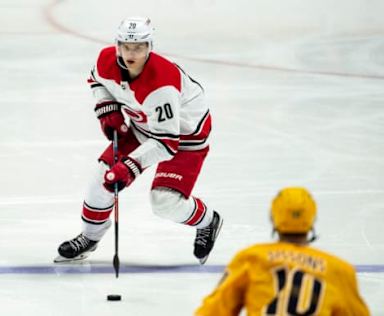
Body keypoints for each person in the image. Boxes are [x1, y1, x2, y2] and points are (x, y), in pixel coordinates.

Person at [54, 16, 223, 265]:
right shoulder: (106, 60)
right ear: (117, 45)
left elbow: (167, 144)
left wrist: (130, 167)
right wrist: (107, 107)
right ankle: (89, 237)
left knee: (164, 203)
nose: (131, 53)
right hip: (143, 126)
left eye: (139, 47)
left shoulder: (162, 86)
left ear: (149, 47)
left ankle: (209, 221)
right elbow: (95, 80)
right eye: (126, 46)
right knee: (103, 177)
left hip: (185, 137)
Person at [195, 187, 370, 316]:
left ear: (273, 218)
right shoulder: (339, 270)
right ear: (313, 219)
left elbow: (212, 312)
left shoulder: (251, 258)